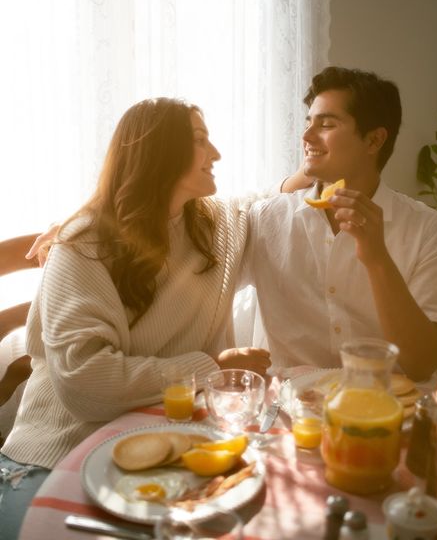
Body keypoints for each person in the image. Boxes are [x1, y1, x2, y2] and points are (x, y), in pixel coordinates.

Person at [0, 97, 306, 538]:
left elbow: (277, 193)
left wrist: (321, 161)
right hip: (52, 455)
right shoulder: (83, 245)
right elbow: (85, 383)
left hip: (161, 452)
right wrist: (210, 369)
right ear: (159, 153)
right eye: (201, 141)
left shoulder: (214, 223)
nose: (216, 154)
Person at [242, 66, 437, 380]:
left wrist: (377, 259)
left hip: (388, 409)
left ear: (374, 140)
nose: (306, 137)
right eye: (309, 123)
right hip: (290, 414)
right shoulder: (266, 219)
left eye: (326, 124)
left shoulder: (431, 232)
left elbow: (421, 366)